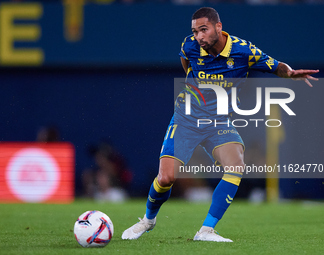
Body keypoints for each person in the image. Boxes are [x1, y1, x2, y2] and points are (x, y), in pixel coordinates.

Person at [122, 7, 319, 242]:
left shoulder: (243, 51)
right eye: (195, 31)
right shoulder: (190, 46)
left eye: (203, 30)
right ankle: (147, 220)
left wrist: (291, 74)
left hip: (218, 121)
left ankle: (206, 231)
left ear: (218, 27)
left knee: (236, 165)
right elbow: (187, 64)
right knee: (166, 178)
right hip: (187, 118)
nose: (199, 37)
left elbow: (276, 66)